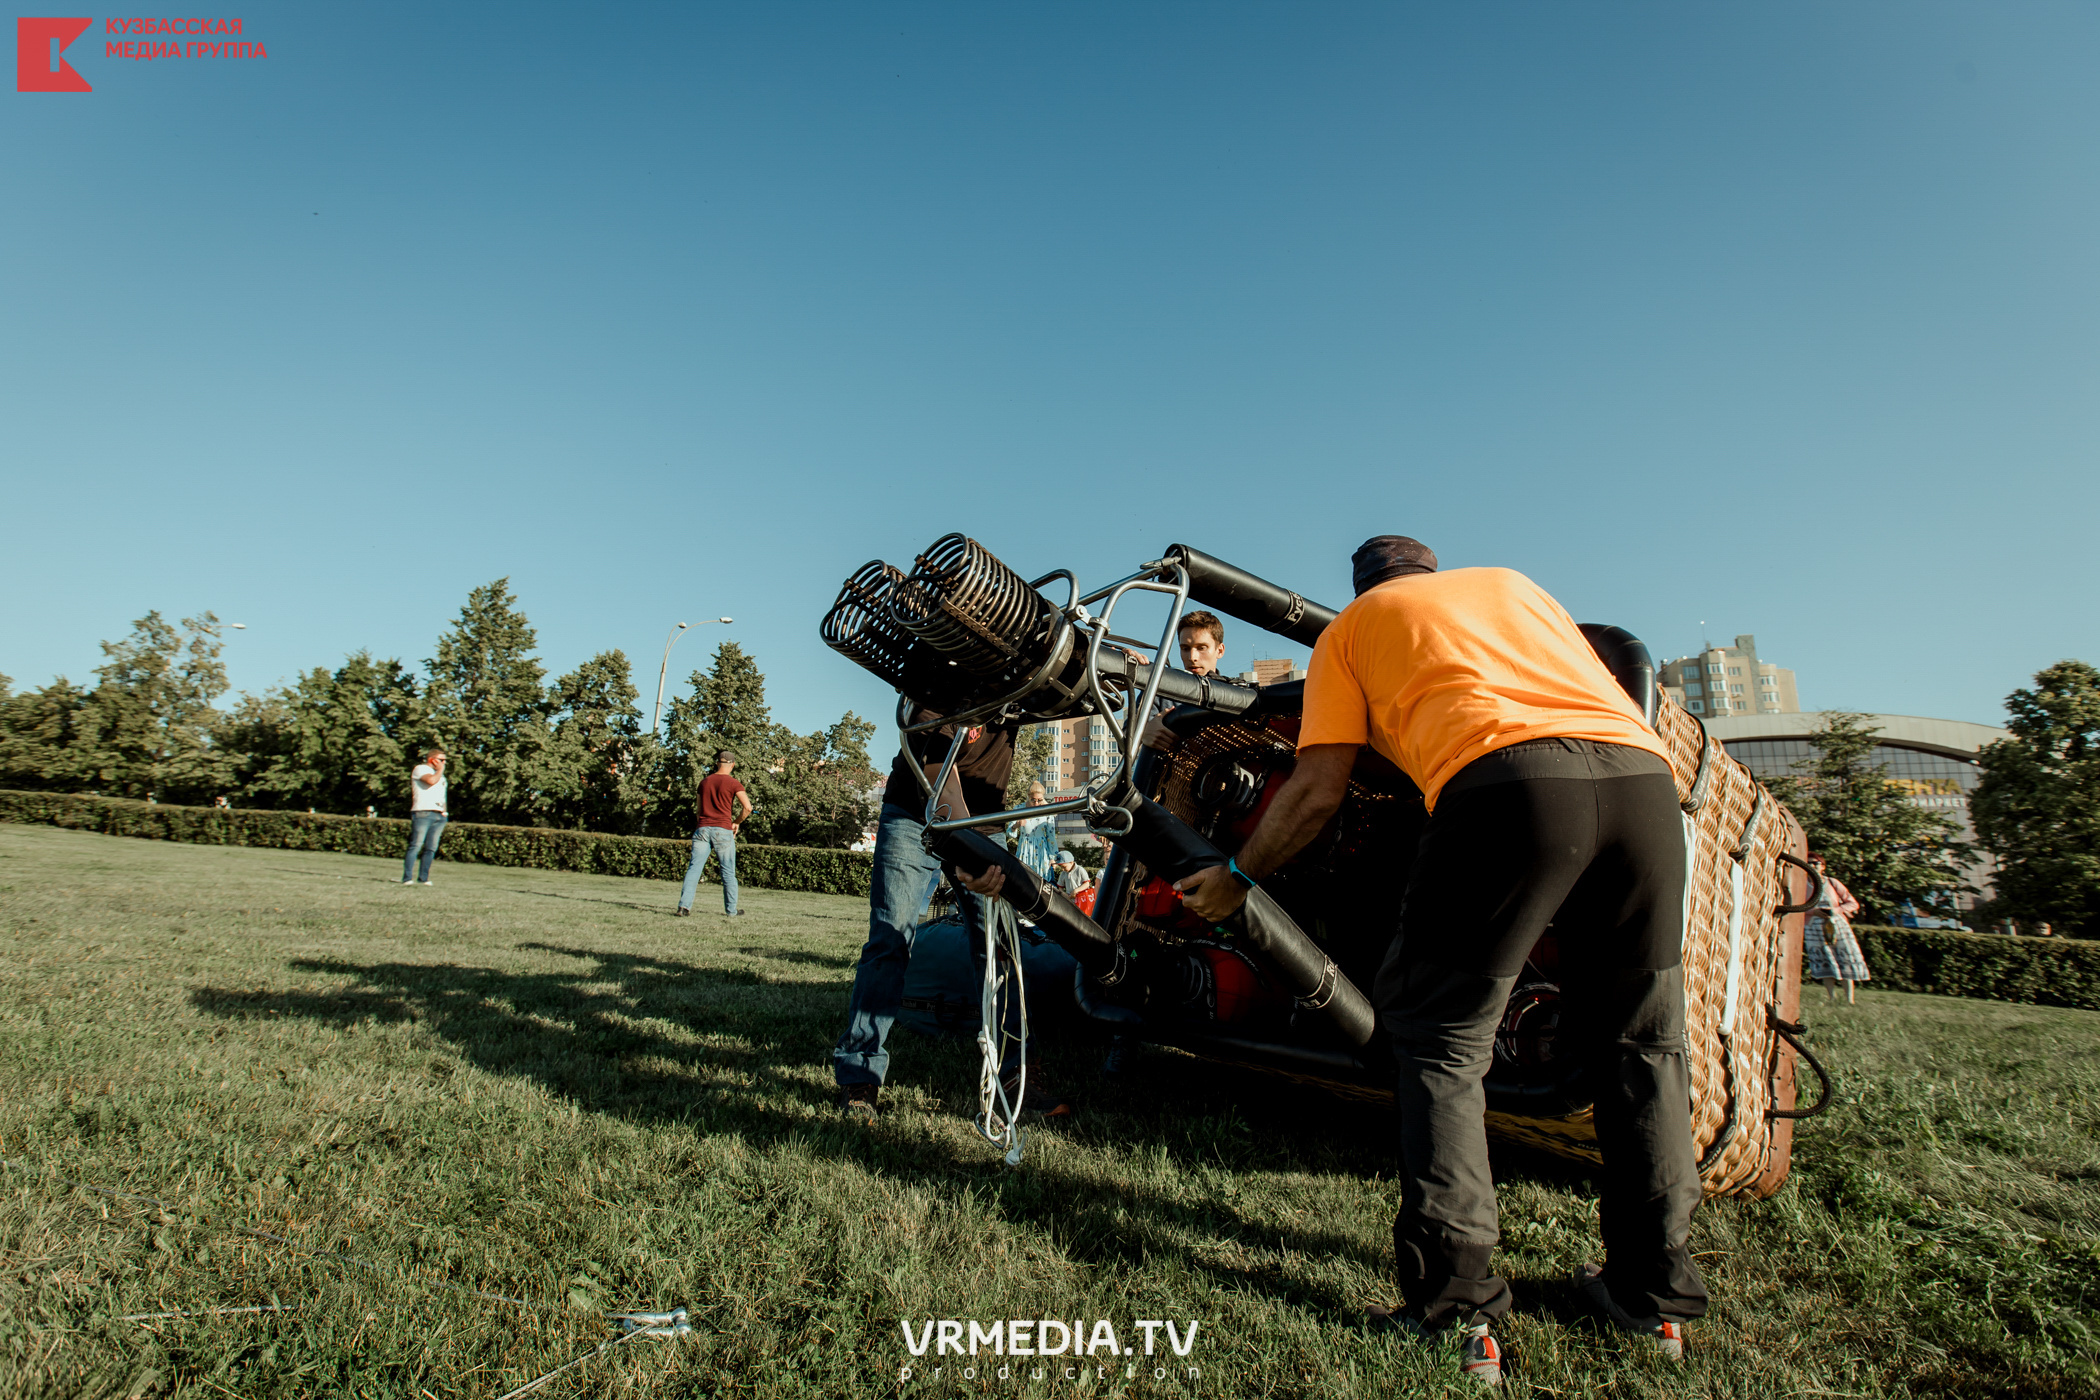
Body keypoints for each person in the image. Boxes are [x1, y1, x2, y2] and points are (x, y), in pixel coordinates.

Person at [1176, 535, 1707, 1385]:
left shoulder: (1352, 631)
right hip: (1644, 784)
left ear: (1362, 586)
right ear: (1432, 571)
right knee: (1642, 1045)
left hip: (1508, 789)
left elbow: (1316, 790)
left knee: (1439, 1041)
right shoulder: (1512, 585)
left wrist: (1238, 877)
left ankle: (1457, 1304)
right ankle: (1653, 1297)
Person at [834, 710, 1048, 1123]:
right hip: (916, 812)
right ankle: (859, 1075)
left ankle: (1016, 1075)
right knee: (890, 940)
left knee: (1000, 945)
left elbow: (1077, 678)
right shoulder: (939, 672)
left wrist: (1117, 665)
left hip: (986, 818)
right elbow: (940, 781)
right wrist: (968, 851)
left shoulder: (1022, 668)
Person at [677, 749, 752, 917]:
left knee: (694, 869)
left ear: (717, 763)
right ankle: (731, 911)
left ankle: (683, 907)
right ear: (733, 765)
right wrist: (736, 822)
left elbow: (698, 810)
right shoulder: (734, 783)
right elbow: (748, 808)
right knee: (728, 872)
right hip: (723, 830)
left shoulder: (704, 782)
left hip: (702, 829)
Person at [1804, 854, 1872, 1004]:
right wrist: (1812, 911)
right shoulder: (1801, 885)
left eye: (1816, 863)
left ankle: (1849, 999)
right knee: (1825, 960)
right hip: (1814, 926)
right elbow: (1796, 907)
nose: (1812, 866)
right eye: (1808, 863)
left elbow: (1852, 903)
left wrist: (1836, 910)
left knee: (1846, 957)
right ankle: (1831, 997)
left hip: (1837, 924)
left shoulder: (1832, 883)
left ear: (1823, 866)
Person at [401, 748, 447, 886]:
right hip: (423, 812)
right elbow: (431, 781)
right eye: (441, 760)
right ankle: (407, 878)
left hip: (439, 815)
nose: (444, 763)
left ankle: (424, 878)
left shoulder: (442, 776)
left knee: (431, 848)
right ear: (432, 759)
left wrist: (445, 812)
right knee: (416, 845)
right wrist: (440, 770)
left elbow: (442, 795)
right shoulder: (420, 769)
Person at [1013, 780, 1061, 879]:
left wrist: (1053, 858)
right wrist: (1017, 825)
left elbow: (1051, 836)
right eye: (1033, 800)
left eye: (1039, 800)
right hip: (1024, 848)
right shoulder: (1019, 808)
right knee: (1023, 879)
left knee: (1041, 880)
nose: (1036, 803)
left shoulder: (1047, 811)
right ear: (1028, 796)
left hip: (1042, 850)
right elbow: (1010, 831)